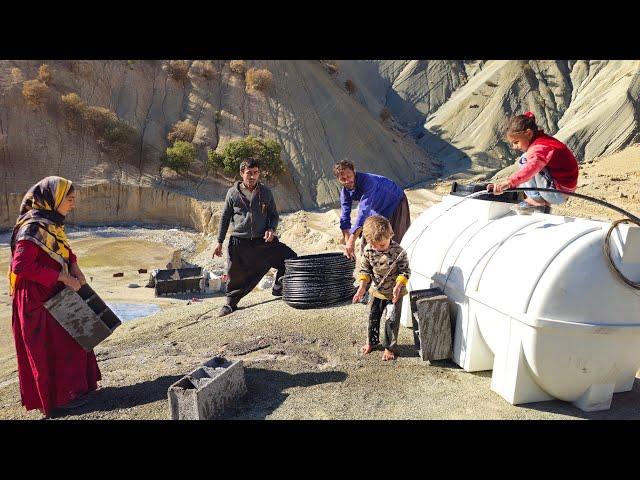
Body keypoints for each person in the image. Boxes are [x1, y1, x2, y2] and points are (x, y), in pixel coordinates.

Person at [8, 176, 101, 418]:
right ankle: (59, 400)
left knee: (74, 341)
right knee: (52, 349)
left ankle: (76, 391)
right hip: (37, 300)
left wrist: (75, 267)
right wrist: (60, 278)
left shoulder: (51, 224)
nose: (73, 205)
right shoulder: (32, 227)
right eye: (69, 200)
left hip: (56, 292)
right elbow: (21, 266)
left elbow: (63, 250)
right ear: (54, 199)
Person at [213, 158, 297, 317]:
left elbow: (273, 215)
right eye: (249, 173)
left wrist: (271, 229)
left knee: (290, 258)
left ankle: (278, 288)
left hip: (262, 241)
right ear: (241, 174)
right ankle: (230, 305)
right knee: (235, 275)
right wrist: (219, 242)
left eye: (256, 173)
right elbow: (224, 218)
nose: (252, 176)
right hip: (239, 243)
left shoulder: (266, 192)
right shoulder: (232, 193)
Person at [488, 111, 579, 214]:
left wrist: (508, 183)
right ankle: (537, 198)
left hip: (557, 193)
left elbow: (530, 169)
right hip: (563, 190)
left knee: (526, 162)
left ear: (529, 133)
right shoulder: (543, 141)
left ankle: (536, 200)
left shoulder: (539, 148)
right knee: (525, 159)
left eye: (516, 142)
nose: (514, 147)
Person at [352, 215, 410, 361]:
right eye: (374, 245)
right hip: (376, 291)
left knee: (391, 319)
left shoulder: (399, 251)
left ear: (390, 235)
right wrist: (362, 287)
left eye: (382, 245)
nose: (378, 248)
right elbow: (365, 270)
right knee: (373, 317)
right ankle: (371, 342)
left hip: (394, 293)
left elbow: (405, 271)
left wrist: (398, 285)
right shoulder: (368, 250)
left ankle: (389, 348)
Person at [334, 159, 411, 260]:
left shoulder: (368, 181)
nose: (347, 181)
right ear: (338, 180)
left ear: (354, 172)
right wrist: (349, 243)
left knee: (393, 242)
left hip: (394, 201)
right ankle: (369, 268)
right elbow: (344, 218)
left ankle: (396, 268)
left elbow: (363, 211)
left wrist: (352, 241)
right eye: (343, 179)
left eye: (349, 176)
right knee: (369, 239)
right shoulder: (345, 192)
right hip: (375, 207)